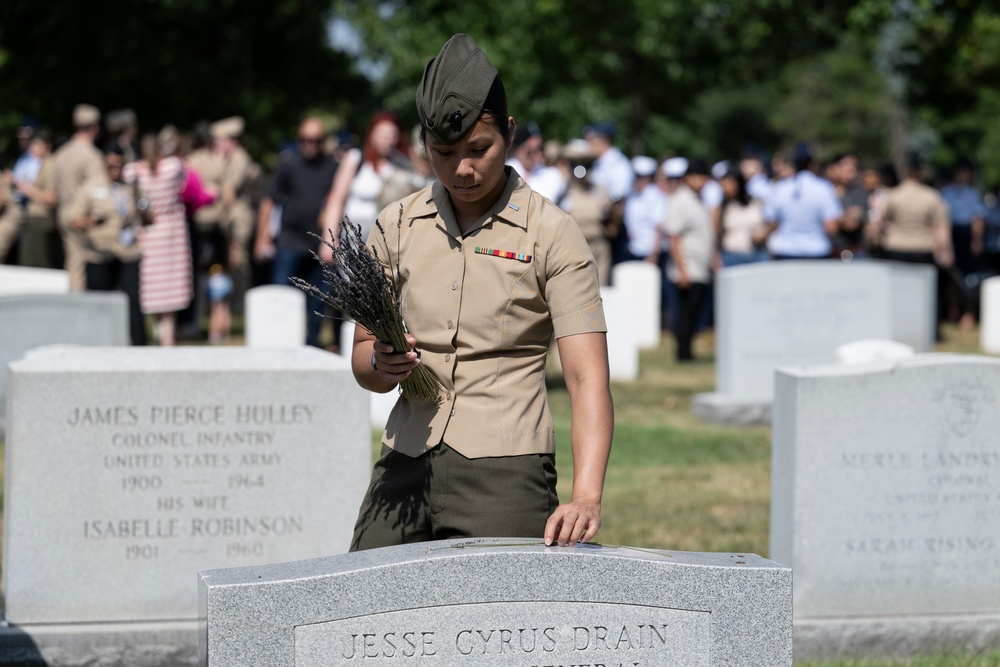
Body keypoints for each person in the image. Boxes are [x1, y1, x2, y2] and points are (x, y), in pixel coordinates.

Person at [350, 33, 613, 551]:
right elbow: (364, 365)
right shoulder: (395, 225)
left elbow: (586, 379)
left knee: (509, 625)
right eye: (443, 153)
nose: (463, 169)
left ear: (509, 134)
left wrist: (586, 494)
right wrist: (383, 362)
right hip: (405, 461)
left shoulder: (550, 232)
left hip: (506, 469)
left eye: (479, 149)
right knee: (362, 610)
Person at [254, 117, 338, 347]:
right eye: (305, 139)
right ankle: (278, 342)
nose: (310, 144)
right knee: (281, 294)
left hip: (319, 243)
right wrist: (262, 237)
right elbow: (268, 200)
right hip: (290, 240)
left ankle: (312, 344)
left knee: (318, 299)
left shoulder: (332, 166)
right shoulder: (288, 164)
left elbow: (338, 200)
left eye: (315, 140)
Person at [68, 147, 145, 344]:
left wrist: (143, 208)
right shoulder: (91, 187)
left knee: (132, 301)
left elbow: (146, 214)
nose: (115, 170)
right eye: (111, 165)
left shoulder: (130, 188)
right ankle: (99, 343)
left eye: (119, 165)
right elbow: (74, 218)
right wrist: (90, 222)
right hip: (99, 252)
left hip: (126, 251)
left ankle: (138, 345)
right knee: (100, 302)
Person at [128, 126, 193, 346]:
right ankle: (167, 339)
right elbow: (183, 175)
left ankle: (157, 335)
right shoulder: (172, 167)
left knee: (153, 287)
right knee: (170, 291)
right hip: (171, 233)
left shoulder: (135, 172)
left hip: (148, 232)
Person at [321, 111, 408, 250]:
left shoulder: (401, 164)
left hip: (387, 235)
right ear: (371, 134)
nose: (386, 139)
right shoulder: (355, 158)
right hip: (354, 232)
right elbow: (336, 199)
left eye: (391, 134)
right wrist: (329, 239)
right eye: (382, 134)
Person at [659, 159, 715, 361]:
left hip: (700, 266)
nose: (701, 181)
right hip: (688, 267)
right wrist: (682, 270)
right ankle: (683, 353)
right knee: (684, 313)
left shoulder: (697, 199)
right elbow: (673, 237)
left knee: (694, 312)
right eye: (697, 176)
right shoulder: (680, 200)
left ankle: (688, 350)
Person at [52, 104, 107, 290]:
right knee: (83, 267)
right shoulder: (92, 156)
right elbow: (98, 193)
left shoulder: (60, 154)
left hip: (63, 213)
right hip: (83, 218)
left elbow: (54, 190)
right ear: (94, 127)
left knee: (73, 264)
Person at [762, 145, 842, 260]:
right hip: (817, 252)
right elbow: (831, 227)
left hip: (785, 252)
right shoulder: (824, 188)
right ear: (812, 164)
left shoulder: (780, 188)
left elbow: (772, 222)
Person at [556, 139, 613, 285]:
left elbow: (610, 221)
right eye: (576, 163)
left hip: (598, 247)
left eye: (585, 163)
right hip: (574, 248)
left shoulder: (600, 191)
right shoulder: (563, 191)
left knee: (601, 290)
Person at [939, 157, 987, 328]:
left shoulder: (972, 194)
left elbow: (977, 219)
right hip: (951, 235)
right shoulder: (945, 193)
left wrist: (976, 240)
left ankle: (969, 312)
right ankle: (953, 309)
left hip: (967, 236)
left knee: (970, 278)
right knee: (952, 276)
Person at [14, 130, 60, 268]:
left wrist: (27, 189)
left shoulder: (51, 165)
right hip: (34, 218)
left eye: (36, 144)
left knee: (34, 262)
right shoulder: (42, 164)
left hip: (41, 220)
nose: (32, 148)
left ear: (47, 146)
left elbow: (52, 198)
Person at [714, 168, 768, 267]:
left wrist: (763, 233)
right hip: (732, 256)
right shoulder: (722, 208)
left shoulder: (757, 202)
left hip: (757, 254)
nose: (725, 189)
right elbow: (716, 236)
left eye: (729, 184)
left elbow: (771, 223)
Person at [506, 121, 564, 203]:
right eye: (530, 151)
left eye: (539, 148)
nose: (536, 155)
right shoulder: (505, 172)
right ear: (517, 150)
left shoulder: (553, 174)